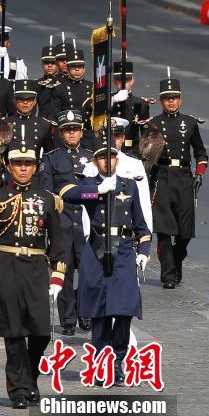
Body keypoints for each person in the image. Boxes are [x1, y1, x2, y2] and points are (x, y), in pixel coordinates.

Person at [0, 140, 65, 410]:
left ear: (35, 167)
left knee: (40, 331)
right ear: (8, 166)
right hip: (7, 264)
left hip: (36, 267)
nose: (23, 168)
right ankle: (18, 390)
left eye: (28, 164)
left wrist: (57, 276)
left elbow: (57, 241)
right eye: (18, 164)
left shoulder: (47, 199)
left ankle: (30, 377)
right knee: (13, 332)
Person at [56, 145, 151, 380]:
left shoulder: (129, 185)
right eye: (101, 158)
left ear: (117, 160)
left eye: (111, 157)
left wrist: (144, 251)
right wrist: (97, 190)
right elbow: (66, 193)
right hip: (97, 250)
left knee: (125, 309)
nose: (107, 162)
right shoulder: (89, 184)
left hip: (124, 251)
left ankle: (118, 359)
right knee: (100, 311)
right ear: (95, 162)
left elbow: (141, 225)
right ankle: (102, 360)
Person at [147, 77, 206, 289]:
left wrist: (199, 174)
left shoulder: (190, 123)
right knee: (163, 229)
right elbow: (145, 153)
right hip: (161, 176)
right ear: (161, 101)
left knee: (185, 232)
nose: (170, 101)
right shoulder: (153, 124)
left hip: (183, 177)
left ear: (180, 99)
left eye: (174, 98)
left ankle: (176, 258)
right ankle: (168, 275)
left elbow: (200, 153)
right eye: (166, 98)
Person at [38, 110, 93, 336]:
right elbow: (47, 193)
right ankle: (68, 319)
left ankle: (85, 311)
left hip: (87, 221)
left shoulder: (92, 156)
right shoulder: (51, 158)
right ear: (61, 133)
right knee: (64, 270)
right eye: (67, 130)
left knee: (90, 271)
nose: (72, 133)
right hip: (63, 221)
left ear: (81, 132)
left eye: (75, 129)